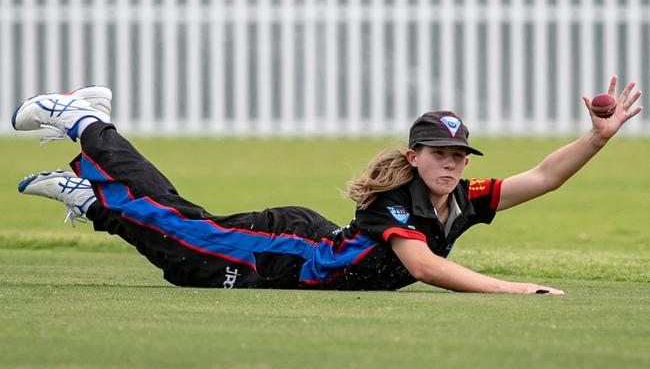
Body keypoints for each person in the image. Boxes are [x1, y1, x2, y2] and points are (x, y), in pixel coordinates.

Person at [12, 76, 642, 293]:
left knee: (175, 244)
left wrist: (595, 139)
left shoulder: (462, 200)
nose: (452, 164)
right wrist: (513, 288)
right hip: (280, 254)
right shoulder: (398, 202)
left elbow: (542, 178)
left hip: (302, 244)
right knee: (176, 233)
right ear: (415, 156)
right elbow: (422, 268)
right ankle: (85, 121)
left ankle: (93, 197)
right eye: (440, 154)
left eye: (460, 155)